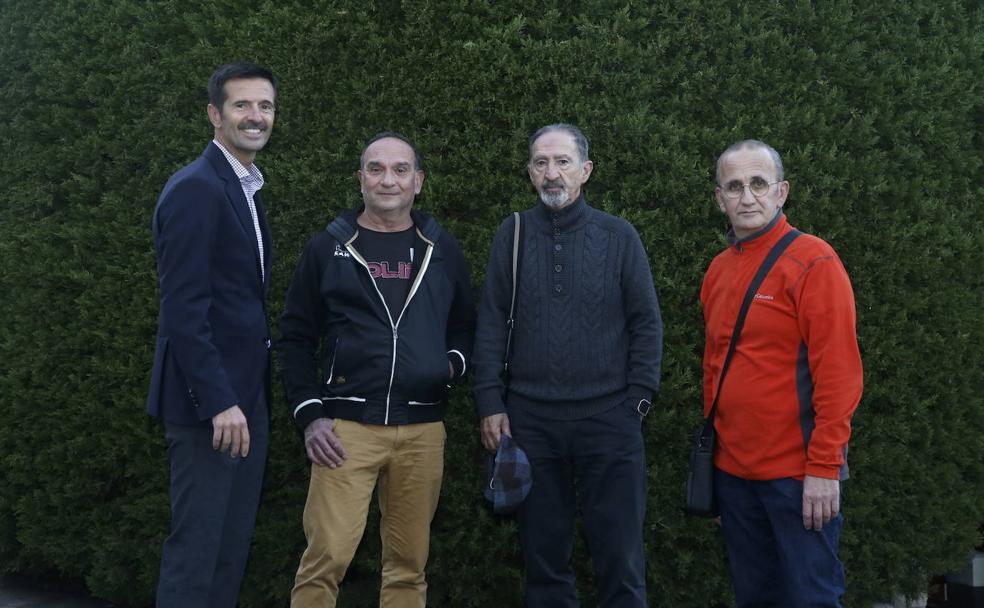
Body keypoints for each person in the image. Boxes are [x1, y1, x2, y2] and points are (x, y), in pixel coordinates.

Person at [279, 132, 475, 608]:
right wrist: (310, 414)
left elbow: (467, 326)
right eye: (376, 169)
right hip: (345, 430)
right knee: (326, 558)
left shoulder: (442, 248)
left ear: (419, 181)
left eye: (401, 170)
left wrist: (449, 365)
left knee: (408, 568)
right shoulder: (329, 247)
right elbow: (296, 336)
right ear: (360, 178)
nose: (388, 180)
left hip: (423, 429)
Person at [473, 123, 663, 607]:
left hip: (610, 422)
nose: (551, 173)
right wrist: (490, 401)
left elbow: (646, 323)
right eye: (541, 162)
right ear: (530, 172)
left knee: (621, 560)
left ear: (586, 170)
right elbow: (492, 322)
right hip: (531, 423)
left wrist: (637, 402)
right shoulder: (511, 233)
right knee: (544, 562)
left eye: (562, 162)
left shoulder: (619, 236)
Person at [702, 139, 863, 607]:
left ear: (782, 192)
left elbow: (840, 375)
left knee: (810, 598)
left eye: (758, 184)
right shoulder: (717, 271)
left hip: (798, 478)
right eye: (734, 186)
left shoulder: (814, 262)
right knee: (755, 597)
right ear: (719, 199)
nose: (746, 197)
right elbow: (714, 371)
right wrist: (715, 472)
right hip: (734, 476)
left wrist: (824, 469)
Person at [146, 61, 278, 608]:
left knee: (228, 551)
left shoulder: (243, 187)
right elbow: (183, 309)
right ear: (214, 114)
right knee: (198, 553)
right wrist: (220, 401)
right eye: (242, 105)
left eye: (265, 106)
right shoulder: (197, 188)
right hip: (214, 410)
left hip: (244, 403)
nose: (255, 116)